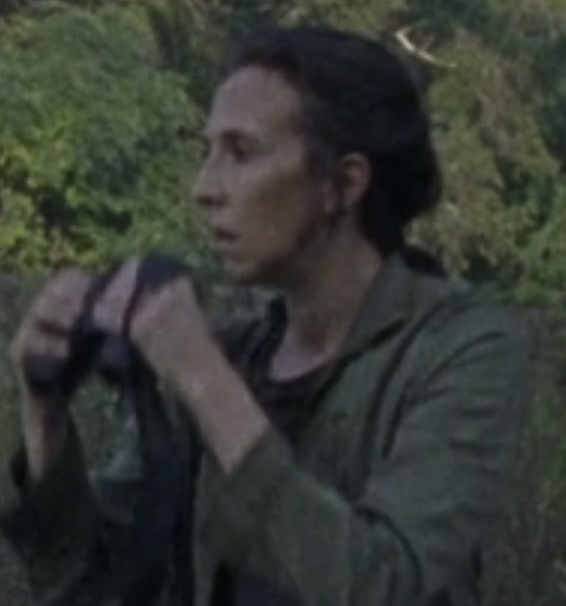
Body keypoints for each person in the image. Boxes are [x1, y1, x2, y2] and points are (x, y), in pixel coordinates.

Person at [0, 25, 531, 606]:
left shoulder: (464, 348)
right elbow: (94, 586)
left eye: (241, 152)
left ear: (342, 183)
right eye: (207, 153)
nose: (204, 189)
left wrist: (204, 382)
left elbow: (386, 585)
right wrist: (45, 415)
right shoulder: (234, 353)